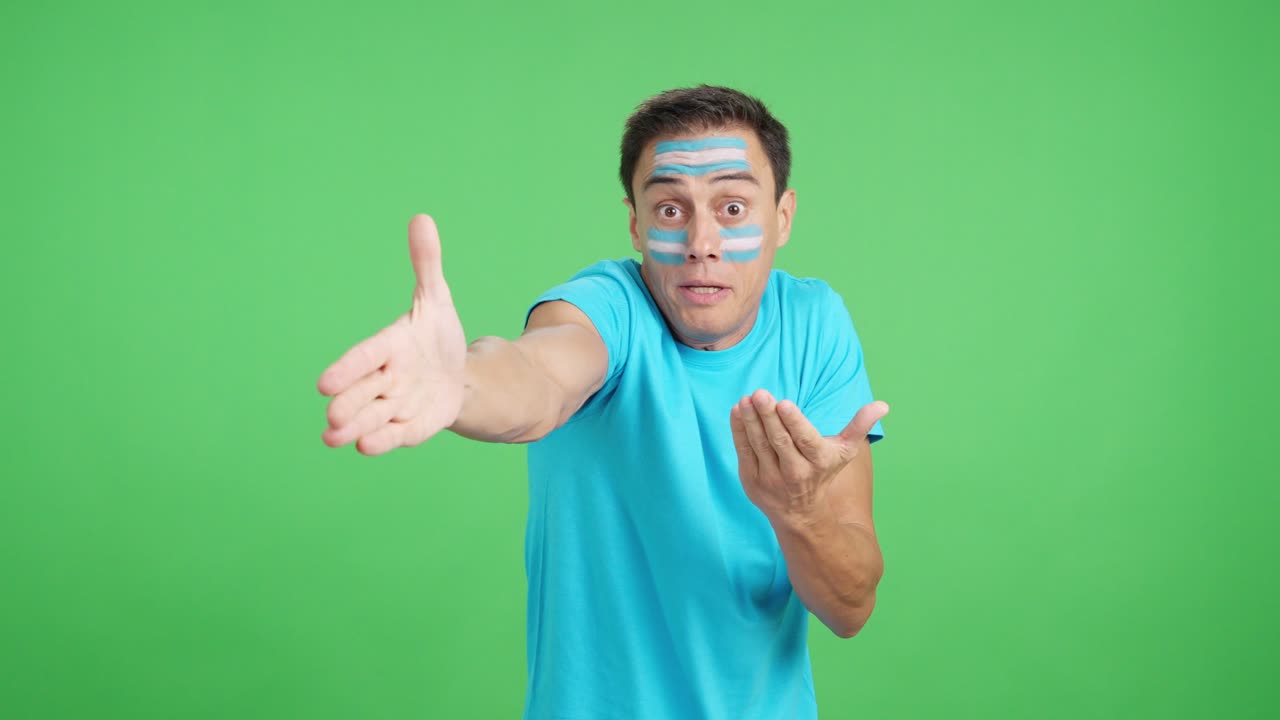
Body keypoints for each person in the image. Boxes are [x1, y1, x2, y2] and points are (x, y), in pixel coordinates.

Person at [317, 85, 890, 720]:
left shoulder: (814, 323)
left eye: (732, 207)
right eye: (670, 209)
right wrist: (461, 384)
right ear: (636, 223)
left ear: (783, 215)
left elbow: (851, 608)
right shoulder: (605, 306)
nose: (701, 241)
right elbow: (540, 374)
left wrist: (800, 512)